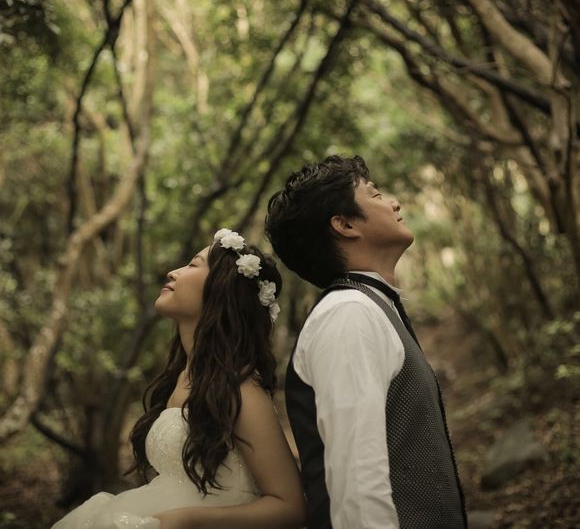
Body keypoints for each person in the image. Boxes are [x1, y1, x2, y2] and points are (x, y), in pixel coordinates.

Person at [53, 229, 306, 529]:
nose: (173, 272)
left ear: (222, 290)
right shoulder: (183, 376)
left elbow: (291, 507)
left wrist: (189, 519)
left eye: (193, 265)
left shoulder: (241, 389)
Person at [265, 156, 467, 529]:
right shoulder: (349, 314)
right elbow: (358, 483)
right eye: (375, 195)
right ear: (344, 225)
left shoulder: (367, 306)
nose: (394, 203)